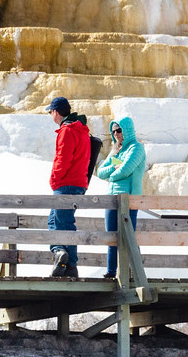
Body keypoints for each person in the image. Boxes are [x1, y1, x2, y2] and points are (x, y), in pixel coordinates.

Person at [93, 115, 148, 280]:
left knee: (128, 236)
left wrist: (113, 172)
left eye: (119, 130)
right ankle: (111, 272)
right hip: (112, 196)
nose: (116, 134)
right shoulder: (116, 150)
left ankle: (133, 271)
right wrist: (114, 167)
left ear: (127, 130)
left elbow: (126, 170)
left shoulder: (136, 148)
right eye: (113, 131)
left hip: (129, 198)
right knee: (112, 235)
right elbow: (101, 172)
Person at [45, 96, 92, 278]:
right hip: (79, 183)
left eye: (51, 112)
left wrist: (54, 180)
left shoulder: (67, 130)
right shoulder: (82, 130)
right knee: (55, 220)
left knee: (63, 222)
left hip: (66, 183)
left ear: (56, 112)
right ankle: (66, 262)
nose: (51, 115)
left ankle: (64, 256)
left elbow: (63, 159)